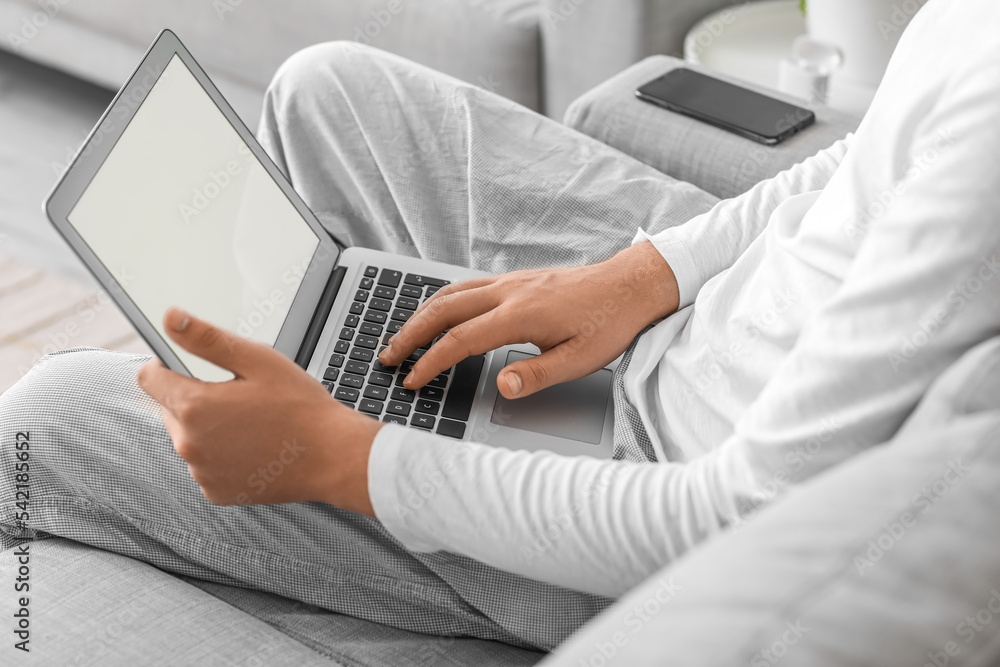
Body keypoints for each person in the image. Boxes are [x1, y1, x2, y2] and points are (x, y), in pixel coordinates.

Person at [2, 0, 999, 653]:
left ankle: (339, 461)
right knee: (331, 86)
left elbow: (736, 517)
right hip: (694, 325)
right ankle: (321, 381)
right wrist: (641, 275)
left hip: (643, 490)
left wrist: (344, 458)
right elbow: (867, 161)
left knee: (45, 417)